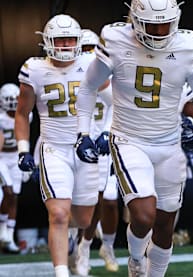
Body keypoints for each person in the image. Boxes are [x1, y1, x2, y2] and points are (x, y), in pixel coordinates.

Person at [75, 0, 193, 277]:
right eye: (152, 25)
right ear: (136, 21)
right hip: (129, 139)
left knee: (166, 223)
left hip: (170, 143)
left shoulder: (188, 45)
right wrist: (83, 133)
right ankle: (136, 259)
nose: (159, 31)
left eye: (165, 24)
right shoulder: (116, 39)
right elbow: (88, 86)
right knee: (143, 216)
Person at [15, 14, 109, 277]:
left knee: (83, 220)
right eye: (60, 39)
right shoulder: (34, 69)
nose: (66, 45)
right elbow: (22, 114)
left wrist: (106, 133)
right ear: (47, 41)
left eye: (70, 39)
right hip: (54, 148)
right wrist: (24, 149)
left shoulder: (91, 62)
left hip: (85, 149)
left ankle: (71, 235)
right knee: (57, 214)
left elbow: (115, 101)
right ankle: (61, 272)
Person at [74, 29, 119, 276]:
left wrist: (106, 133)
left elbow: (117, 104)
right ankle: (75, 242)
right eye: (84, 50)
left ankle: (93, 247)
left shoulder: (106, 76)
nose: (87, 55)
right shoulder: (66, 76)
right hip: (73, 143)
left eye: (92, 50)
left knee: (104, 201)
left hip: (101, 146)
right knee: (73, 201)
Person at [0, 83, 27, 254]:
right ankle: (3, 230)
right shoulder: (0, 118)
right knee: (7, 192)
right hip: (2, 157)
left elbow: (25, 136)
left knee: (14, 197)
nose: (11, 103)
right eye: (8, 100)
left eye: (13, 100)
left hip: (16, 157)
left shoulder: (25, 115)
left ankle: (9, 236)